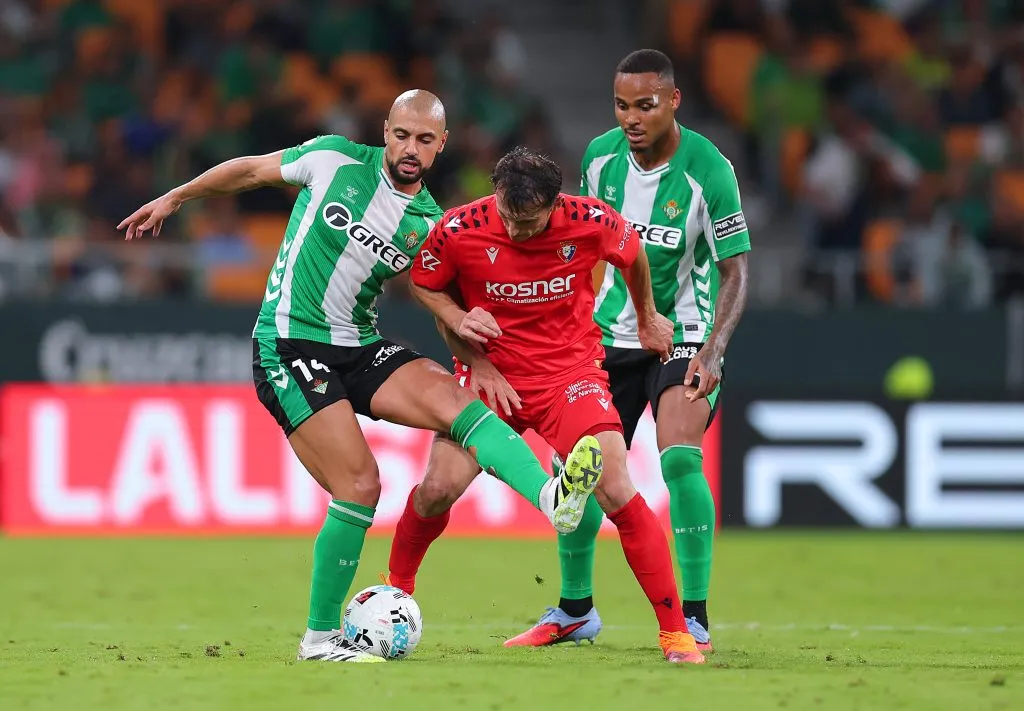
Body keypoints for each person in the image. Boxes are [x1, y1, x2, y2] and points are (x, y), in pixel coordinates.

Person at [117, 90, 598, 664]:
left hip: (358, 344)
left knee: (459, 403)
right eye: (402, 135)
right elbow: (249, 171)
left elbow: (439, 297)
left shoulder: (428, 223)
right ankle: (319, 640)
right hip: (289, 344)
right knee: (361, 487)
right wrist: (176, 196)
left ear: (441, 145)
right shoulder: (333, 158)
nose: (411, 148)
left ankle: (550, 498)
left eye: (424, 140)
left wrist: (474, 349)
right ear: (386, 130)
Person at [384, 145, 706, 665]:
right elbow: (425, 284)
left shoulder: (591, 220)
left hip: (569, 376)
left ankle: (676, 634)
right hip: (490, 378)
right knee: (438, 488)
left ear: (555, 204)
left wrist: (647, 317)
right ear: (496, 195)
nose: (516, 231)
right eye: (508, 217)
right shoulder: (459, 228)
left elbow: (633, 255)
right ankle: (393, 595)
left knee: (615, 486)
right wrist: (469, 343)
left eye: (529, 221)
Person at [506, 49, 751, 653]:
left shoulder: (709, 170)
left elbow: (736, 269)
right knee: (577, 469)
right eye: (622, 106)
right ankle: (575, 610)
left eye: (645, 105)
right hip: (606, 338)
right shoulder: (598, 159)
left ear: (673, 101)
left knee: (680, 459)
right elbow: (584, 247)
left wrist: (714, 347)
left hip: (683, 334)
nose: (632, 118)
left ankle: (693, 615)